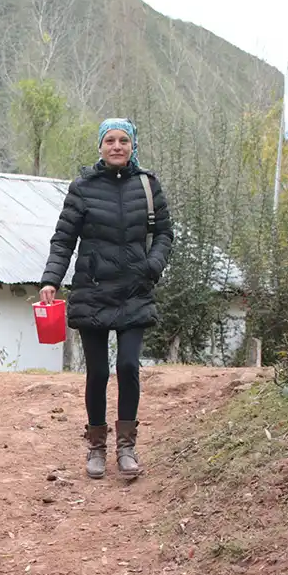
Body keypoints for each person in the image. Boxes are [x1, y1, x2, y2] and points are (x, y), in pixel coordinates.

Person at [39, 118, 173, 480]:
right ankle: (96, 446)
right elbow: (64, 239)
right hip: (93, 291)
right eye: (110, 140)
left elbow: (164, 234)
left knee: (128, 366)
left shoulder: (148, 186)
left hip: (134, 289)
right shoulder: (82, 188)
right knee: (97, 372)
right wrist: (51, 279)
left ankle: (127, 447)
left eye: (123, 140)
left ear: (133, 146)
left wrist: (153, 265)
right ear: (100, 147)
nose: (117, 146)